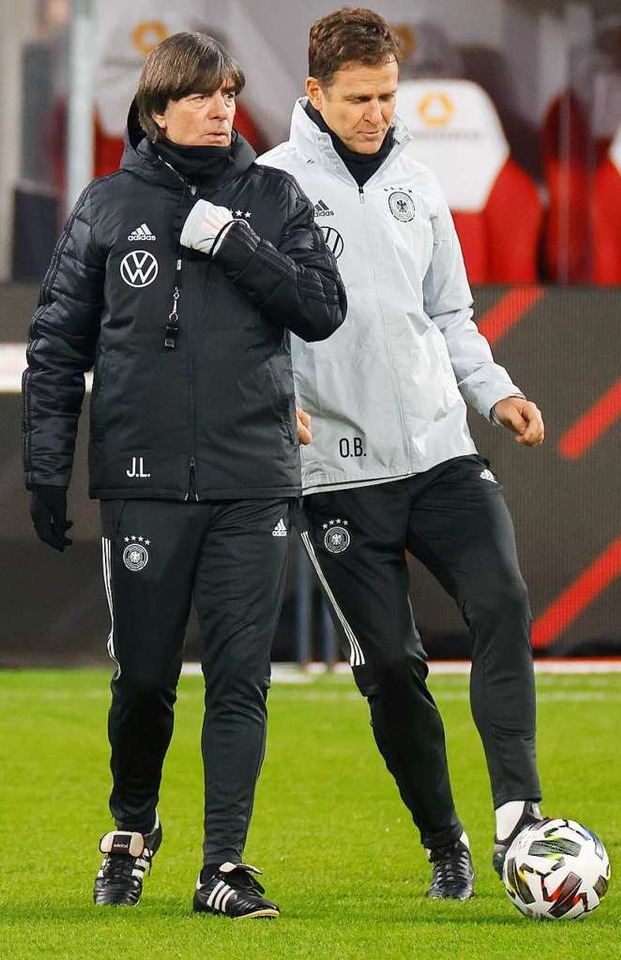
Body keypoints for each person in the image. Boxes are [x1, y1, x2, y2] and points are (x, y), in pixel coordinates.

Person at [22, 31, 345, 918]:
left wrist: (236, 244)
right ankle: (132, 828)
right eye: (200, 97)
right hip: (144, 484)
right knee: (145, 685)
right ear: (156, 110)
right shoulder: (104, 206)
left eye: (229, 95)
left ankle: (225, 867)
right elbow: (56, 348)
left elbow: (322, 310)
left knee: (242, 680)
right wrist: (47, 470)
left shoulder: (274, 200)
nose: (219, 110)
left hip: (253, 482)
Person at [260, 7, 545, 900]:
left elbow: (450, 315)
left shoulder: (419, 184)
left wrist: (493, 391)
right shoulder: (265, 188)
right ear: (315, 93)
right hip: (341, 472)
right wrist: (277, 403)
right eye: (358, 99)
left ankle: (519, 815)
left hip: (441, 451)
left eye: (388, 96)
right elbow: (248, 325)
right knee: (390, 668)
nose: (378, 112)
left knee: (501, 598)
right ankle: (444, 840)